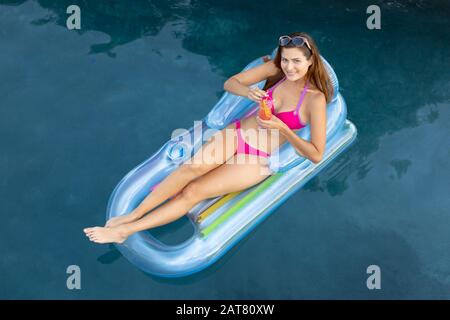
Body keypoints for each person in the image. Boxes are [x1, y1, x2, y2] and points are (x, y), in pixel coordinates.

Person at [84, 32, 332, 244]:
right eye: (286, 60)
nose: (289, 67)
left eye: (297, 61)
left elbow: (316, 154)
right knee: (191, 168)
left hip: (258, 158)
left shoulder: (314, 99)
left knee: (193, 191)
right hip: (238, 133)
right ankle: (132, 214)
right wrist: (250, 93)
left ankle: (125, 231)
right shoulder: (277, 68)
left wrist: (283, 128)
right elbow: (230, 83)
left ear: (311, 61)